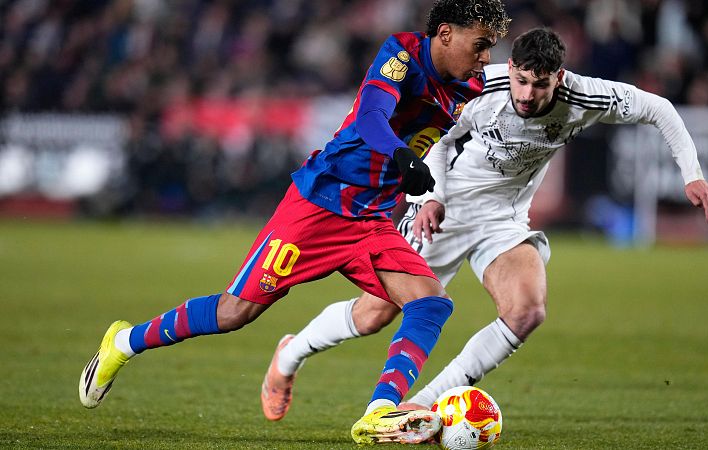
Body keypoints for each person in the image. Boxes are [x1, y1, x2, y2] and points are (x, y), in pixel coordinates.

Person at [78, 0, 511, 445]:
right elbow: (371, 115)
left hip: (372, 219)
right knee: (233, 313)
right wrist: (402, 157)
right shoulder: (401, 54)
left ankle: (381, 411)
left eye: (490, 48)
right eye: (479, 46)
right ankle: (124, 343)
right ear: (444, 34)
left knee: (431, 302)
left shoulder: (470, 86)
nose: (485, 58)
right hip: (320, 206)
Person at [260, 27, 708, 418]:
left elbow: (659, 109)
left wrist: (692, 176)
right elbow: (440, 141)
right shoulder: (480, 87)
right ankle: (291, 353)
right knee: (374, 315)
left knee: (527, 310)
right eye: (522, 81)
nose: (528, 95)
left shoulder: (584, 96)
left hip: (505, 218)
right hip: (448, 208)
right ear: (511, 70)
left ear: (558, 78)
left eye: (540, 85)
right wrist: (431, 196)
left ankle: (422, 405)